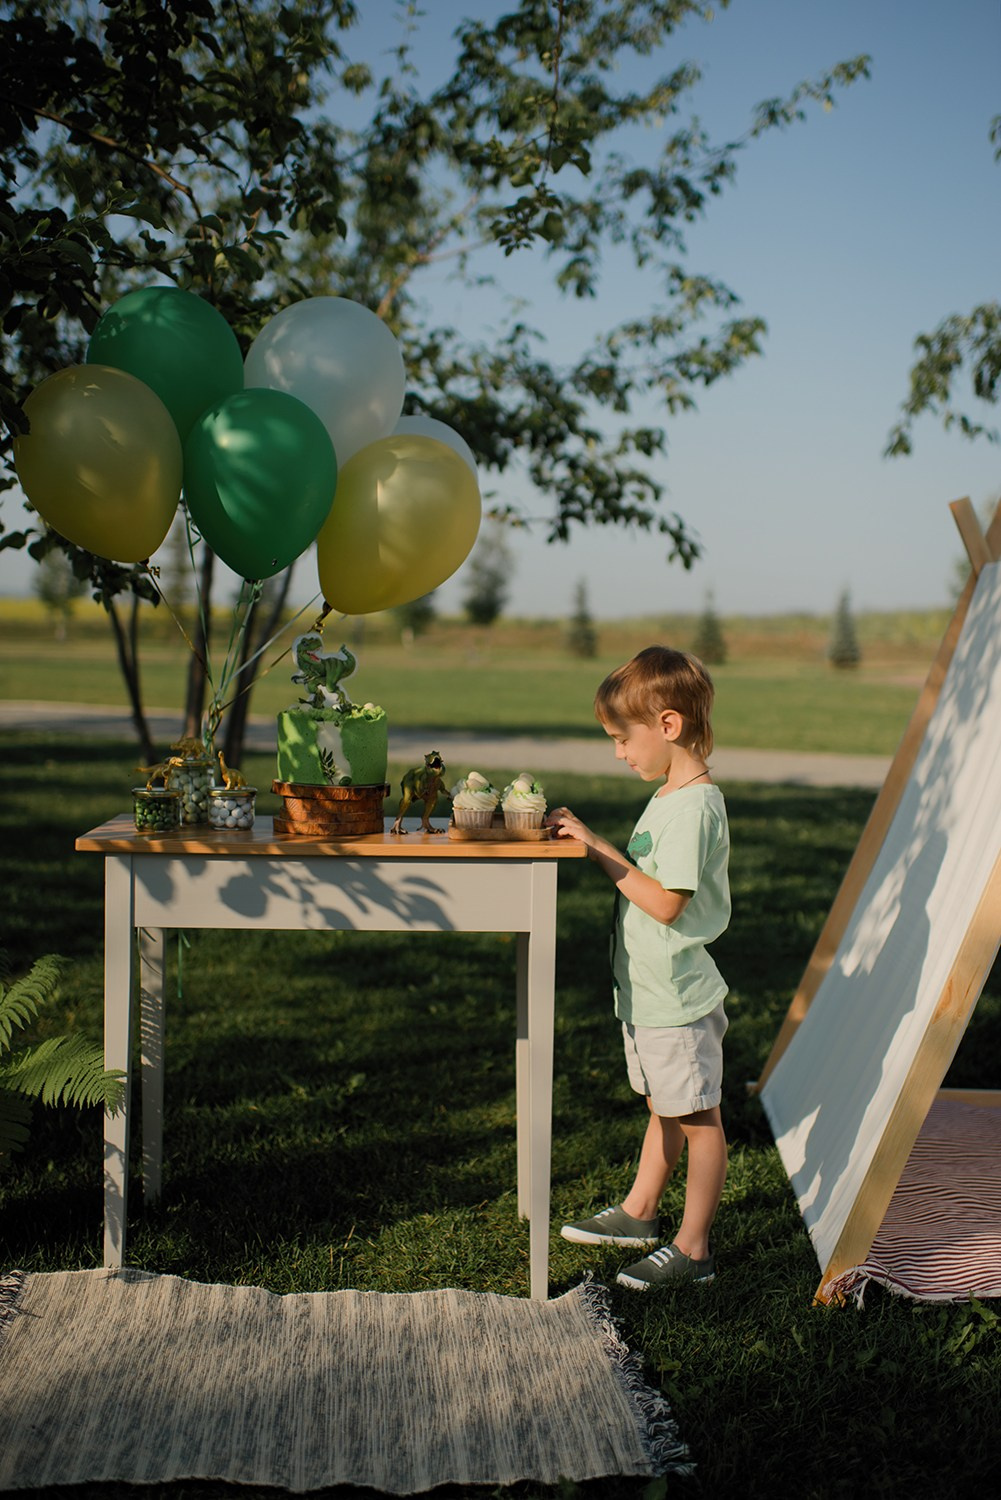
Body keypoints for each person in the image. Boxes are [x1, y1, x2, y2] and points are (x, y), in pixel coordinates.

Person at [548, 645, 730, 1289]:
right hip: (649, 995)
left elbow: (665, 902)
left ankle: (694, 1249)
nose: (619, 752)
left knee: (698, 1121)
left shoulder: (695, 806)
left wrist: (597, 846)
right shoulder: (669, 795)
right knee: (664, 1107)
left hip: (677, 998)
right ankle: (640, 1211)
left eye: (622, 738)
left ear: (669, 726)